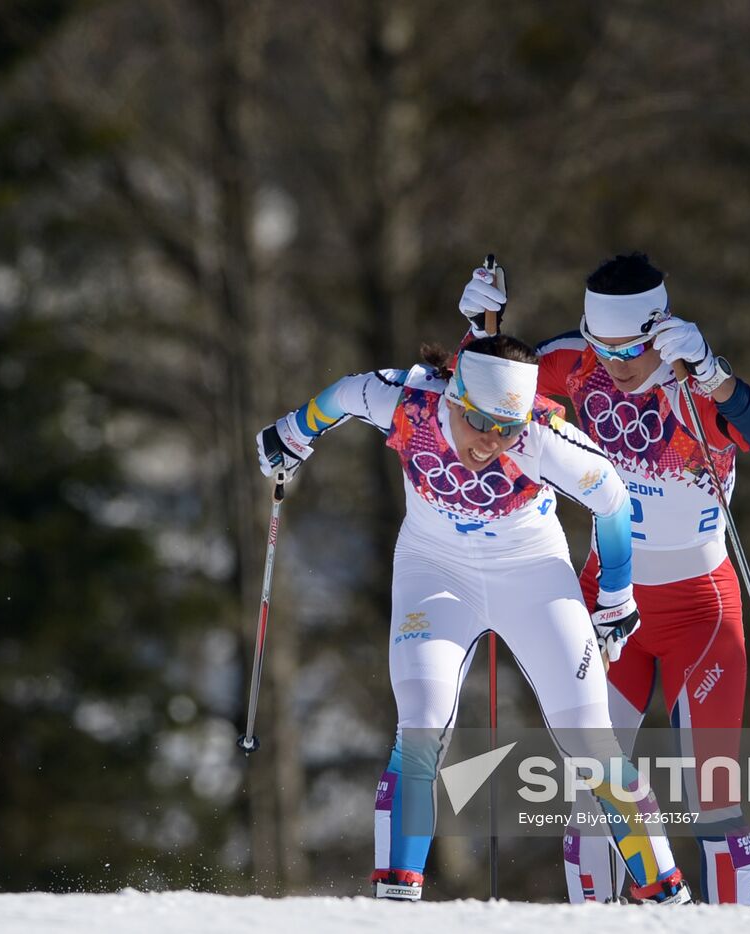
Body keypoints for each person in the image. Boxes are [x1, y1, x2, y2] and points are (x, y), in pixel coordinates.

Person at [255, 333, 692, 904]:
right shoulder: (408, 400)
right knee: (420, 727)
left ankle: (666, 895)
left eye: (505, 428)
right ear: (454, 397)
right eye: (478, 422)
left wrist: (616, 596)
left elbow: (612, 502)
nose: (490, 442)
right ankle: (395, 896)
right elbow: (342, 395)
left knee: (591, 743)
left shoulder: (543, 436)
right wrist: (292, 432)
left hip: (532, 575)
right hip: (435, 574)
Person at [457, 253, 750, 905]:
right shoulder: (576, 364)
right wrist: (479, 328)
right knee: (588, 798)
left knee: (713, 799)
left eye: (632, 347)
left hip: (700, 611)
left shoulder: (696, 387)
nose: (613, 363)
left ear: (662, 330)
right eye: (599, 344)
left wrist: (717, 374)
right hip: (609, 603)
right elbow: (485, 401)